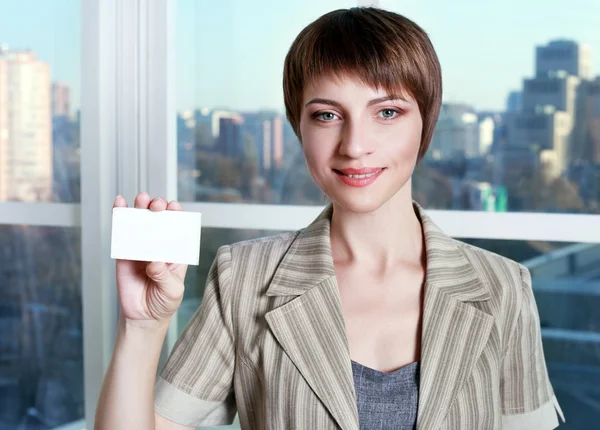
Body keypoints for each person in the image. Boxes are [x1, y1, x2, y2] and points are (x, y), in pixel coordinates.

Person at [95, 7, 565, 430]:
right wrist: (142, 325)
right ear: (299, 126)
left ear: (427, 121)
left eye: (387, 111)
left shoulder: (502, 287)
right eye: (326, 115)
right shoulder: (244, 278)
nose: (355, 145)